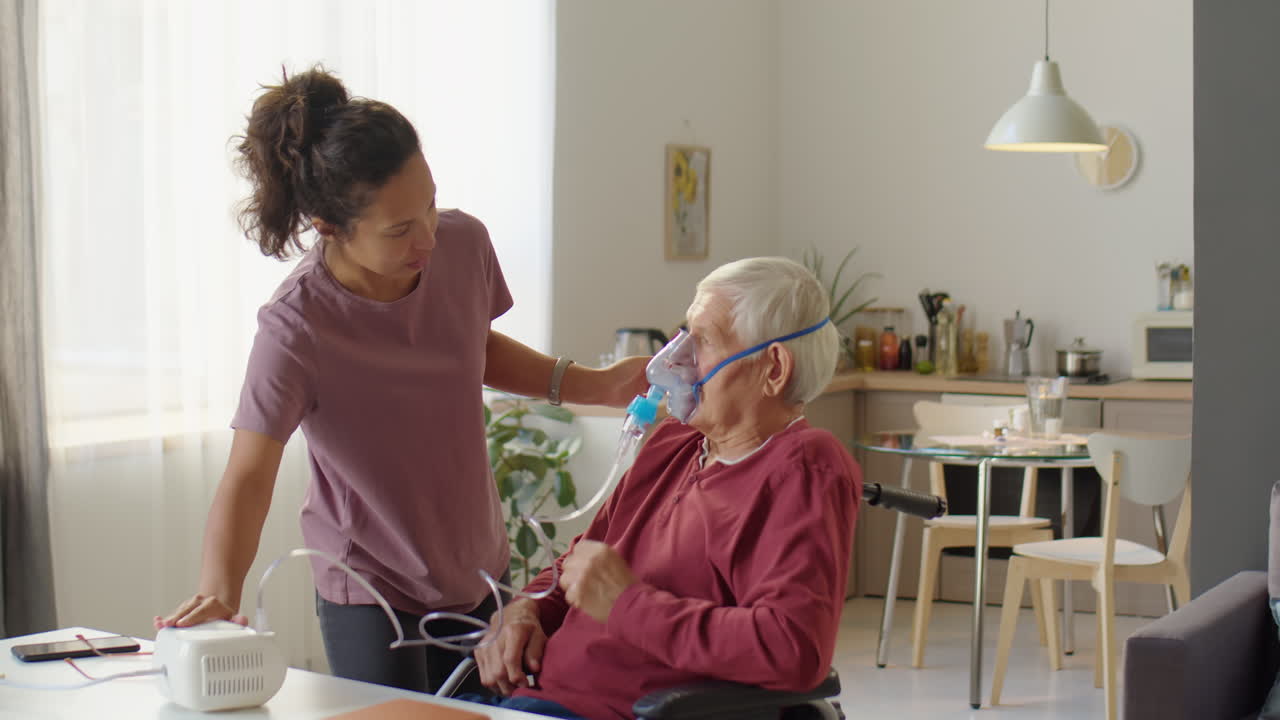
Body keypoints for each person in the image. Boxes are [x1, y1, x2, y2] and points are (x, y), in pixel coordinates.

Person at [153, 66, 647, 695]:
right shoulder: (296, 327)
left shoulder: (464, 245)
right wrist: (218, 592)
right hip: (370, 588)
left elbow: (470, 344)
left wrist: (598, 385)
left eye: (430, 205)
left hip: (478, 567)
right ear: (328, 225)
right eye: (399, 229)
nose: (428, 237)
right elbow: (249, 475)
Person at [470, 257, 863, 720]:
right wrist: (526, 609)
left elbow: (791, 649)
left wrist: (627, 605)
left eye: (704, 340)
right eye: (684, 335)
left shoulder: (804, 468)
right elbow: (582, 562)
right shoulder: (675, 442)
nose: (676, 358)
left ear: (773, 368)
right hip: (535, 701)